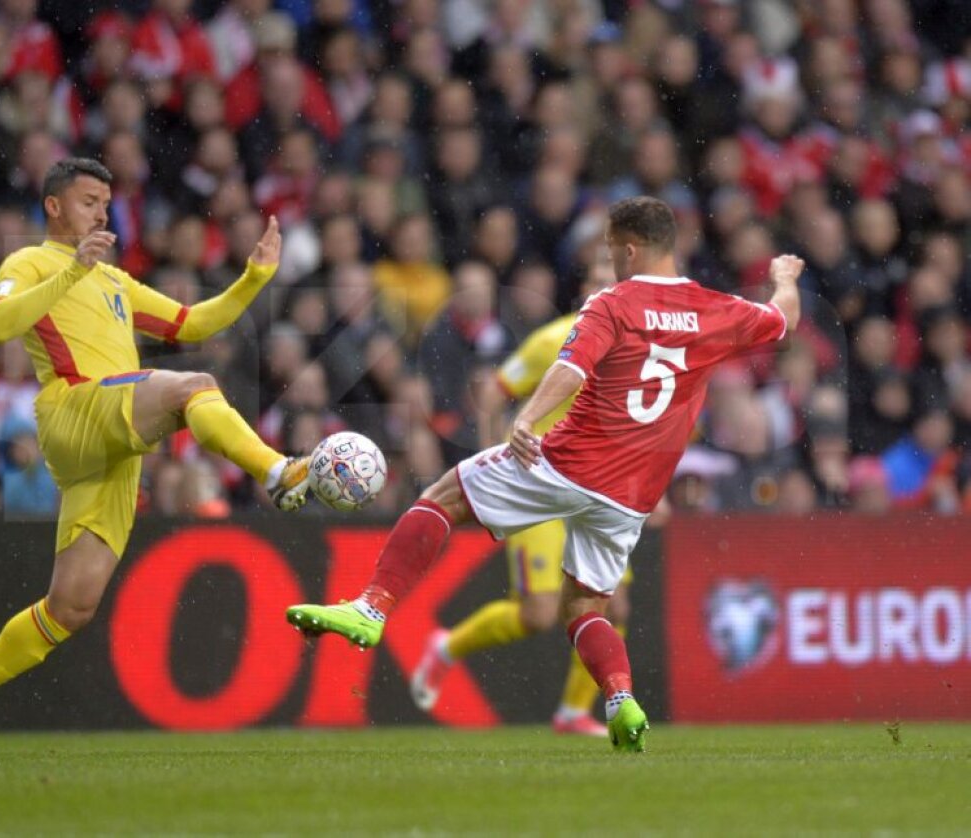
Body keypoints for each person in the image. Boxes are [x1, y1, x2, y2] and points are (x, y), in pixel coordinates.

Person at [288, 197, 803, 752]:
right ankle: (619, 698)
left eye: (610, 249)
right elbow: (783, 320)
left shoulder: (612, 304)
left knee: (441, 497)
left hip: (565, 462)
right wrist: (783, 277)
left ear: (629, 248)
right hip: (631, 497)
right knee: (585, 605)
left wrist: (527, 420)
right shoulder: (711, 307)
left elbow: (570, 367)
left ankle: (371, 608)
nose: (610, 260)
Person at [0, 158, 311, 756]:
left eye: (105, 202)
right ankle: (278, 472)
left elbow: (192, 322)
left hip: (112, 444)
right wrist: (70, 272)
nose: (101, 212)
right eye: (87, 201)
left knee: (71, 607)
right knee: (193, 386)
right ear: (53, 207)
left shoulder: (116, 282)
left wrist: (254, 278)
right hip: (74, 410)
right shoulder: (29, 262)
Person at [409, 262, 633, 737]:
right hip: (545, 489)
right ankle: (447, 647)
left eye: (614, 284)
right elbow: (493, 393)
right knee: (538, 614)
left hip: (601, 493)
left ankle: (573, 713)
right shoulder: (552, 341)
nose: (607, 291)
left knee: (616, 606)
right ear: (584, 292)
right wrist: (498, 461)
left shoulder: (634, 348)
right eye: (597, 283)